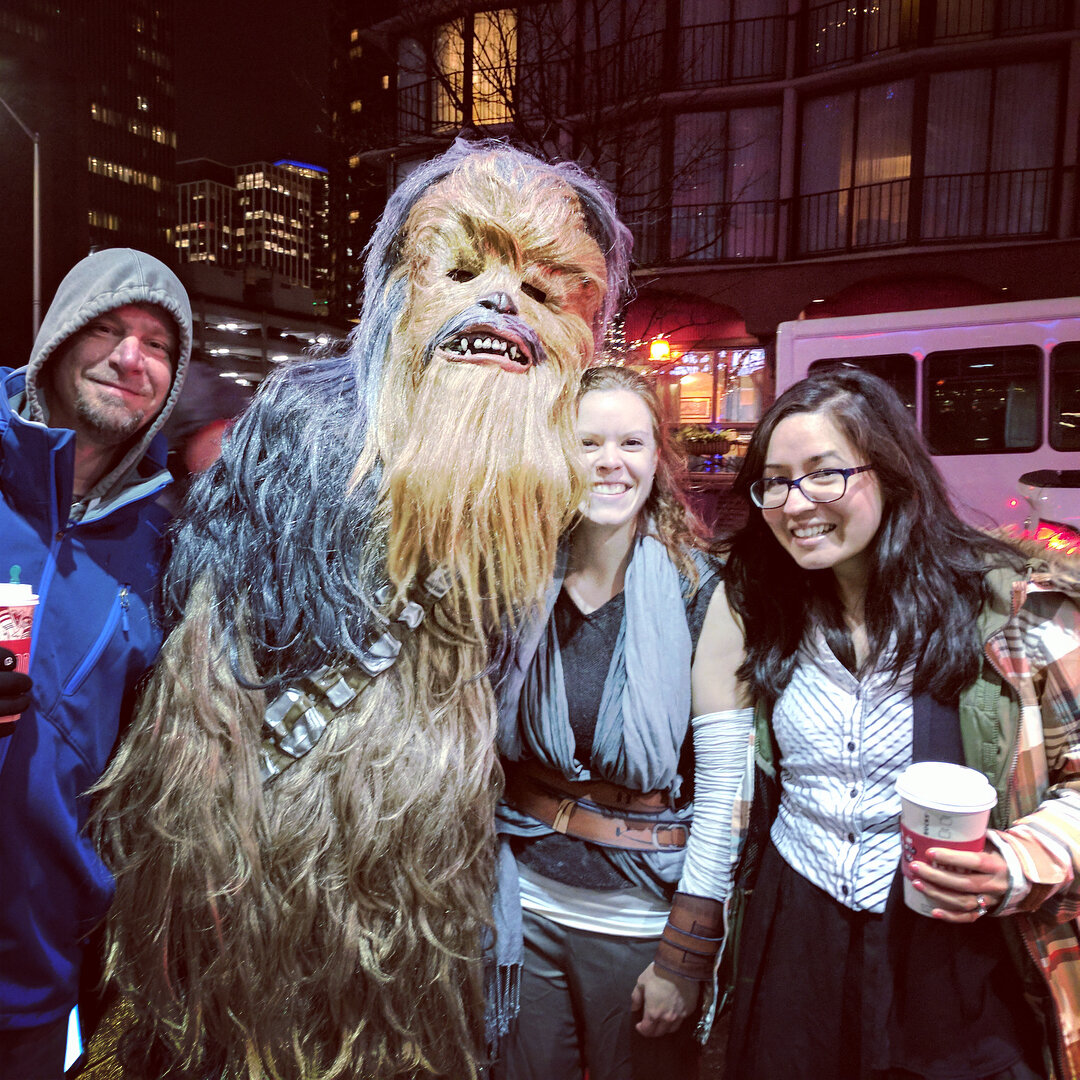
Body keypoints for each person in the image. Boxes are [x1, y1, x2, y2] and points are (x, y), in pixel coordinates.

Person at [89, 140, 633, 1080]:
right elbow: (207, 653)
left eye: (544, 293)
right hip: (268, 848)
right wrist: (203, 840)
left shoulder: (550, 479)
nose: (501, 303)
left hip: (426, 870)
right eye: (463, 270)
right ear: (398, 290)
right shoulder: (310, 420)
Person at [708, 365, 1080, 1079]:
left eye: (824, 474)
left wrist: (1014, 862)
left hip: (956, 959)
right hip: (797, 943)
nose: (796, 503)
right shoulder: (768, 612)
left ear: (890, 472)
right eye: (775, 481)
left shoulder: (1008, 609)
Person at [495, 365, 750, 1080]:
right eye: (589, 443)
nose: (612, 462)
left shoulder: (702, 591)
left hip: (640, 924)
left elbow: (728, 792)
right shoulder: (517, 582)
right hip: (523, 911)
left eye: (632, 442)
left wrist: (687, 954)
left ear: (656, 459)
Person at [0, 247, 192, 1078]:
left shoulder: (164, 545)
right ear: (58, 340)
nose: (130, 357)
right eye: (109, 329)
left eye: (156, 344)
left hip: (38, 967)